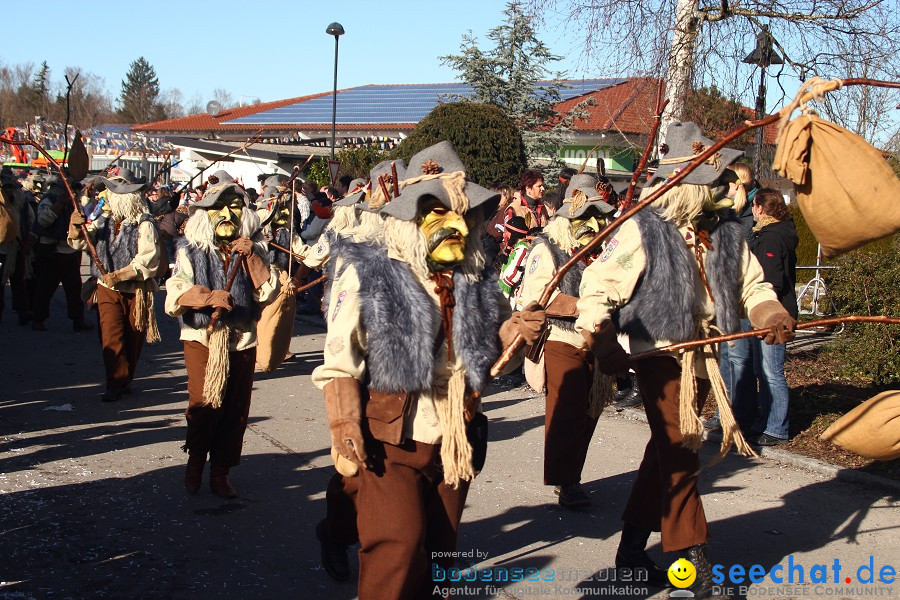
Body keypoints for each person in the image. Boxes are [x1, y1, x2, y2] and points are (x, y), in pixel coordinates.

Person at [312, 141, 545, 599]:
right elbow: (340, 354)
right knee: (397, 548)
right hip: (391, 438)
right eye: (435, 212)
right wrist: (343, 421)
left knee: (439, 557)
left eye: (461, 214)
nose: (452, 226)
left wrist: (520, 331)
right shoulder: (370, 272)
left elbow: (494, 358)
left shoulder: (478, 280)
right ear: (411, 218)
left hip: (455, 437)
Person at [575, 122, 795, 598]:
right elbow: (597, 285)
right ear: (684, 185)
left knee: (665, 453)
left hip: (703, 358)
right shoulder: (641, 228)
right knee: (680, 453)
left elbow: (753, 286)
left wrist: (772, 311)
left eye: (726, 179)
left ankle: (632, 551)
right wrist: (601, 337)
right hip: (659, 356)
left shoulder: (729, 234)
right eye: (715, 179)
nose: (727, 188)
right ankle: (696, 566)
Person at [164, 171, 279, 498]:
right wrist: (206, 297)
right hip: (203, 339)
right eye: (218, 207)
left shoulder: (254, 250)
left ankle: (220, 470)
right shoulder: (190, 249)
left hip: (242, 341)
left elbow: (267, 292)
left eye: (235, 207)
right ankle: (197, 459)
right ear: (204, 214)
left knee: (235, 410)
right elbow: (175, 290)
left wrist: (253, 258)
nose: (227, 214)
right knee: (203, 405)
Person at [519, 173, 616, 508]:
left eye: (598, 216)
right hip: (560, 338)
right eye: (588, 215)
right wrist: (581, 306)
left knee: (590, 410)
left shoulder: (603, 251)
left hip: (596, 338)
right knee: (568, 405)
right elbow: (536, 298)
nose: (595, 222)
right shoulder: (546, 246)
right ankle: (565, 479)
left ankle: (572, 474)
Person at [68, 167, 164, 402]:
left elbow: (149, 259)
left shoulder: (145, 224)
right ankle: (116, 381)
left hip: (136, 290)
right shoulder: (102, 221)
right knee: (111, 335)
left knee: (133, 337)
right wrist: (75, 226)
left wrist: (120, 275)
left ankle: (124, 379)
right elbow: (83, 244)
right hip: (106, 288)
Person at [710, 163, 762, 432]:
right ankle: (724, 412)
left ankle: (740, 415)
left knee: (740, 360)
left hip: (740, 296)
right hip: (725, 296)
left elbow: (746, 259)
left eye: (728, 183)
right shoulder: (726, 214)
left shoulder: (747, 217)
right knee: (726, 359)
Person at [748, 188, 798, 445]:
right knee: (762, 369)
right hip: (771, 311)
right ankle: (765, 421)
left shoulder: (771, 237)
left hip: (775, 314)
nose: (753, 212)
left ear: (760, 208)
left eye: (754, 206)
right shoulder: (773, 233)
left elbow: (771, 279)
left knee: (771, 370)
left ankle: (777, 428)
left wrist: (764, 307)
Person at [31, 173, 92, 332]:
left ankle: (78, 319)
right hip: (52, 250)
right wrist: (59, 204)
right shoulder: (48, 200)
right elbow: (44, 221)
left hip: (70, 250)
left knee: (74, 288)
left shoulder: (74, 203)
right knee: (45, 287)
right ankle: (38, 319)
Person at [0, 167, 35, 325]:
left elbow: (30, 220)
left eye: (10, 187)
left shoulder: (22, 201)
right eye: (5, 187)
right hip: (1, 248)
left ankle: (22, 311)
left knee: (19, 279)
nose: (8, 190)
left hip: (17, 246)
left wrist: (28, 240)